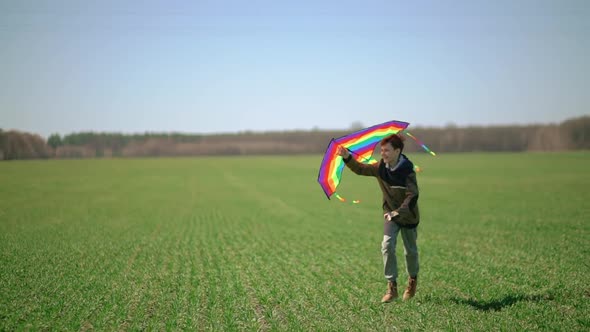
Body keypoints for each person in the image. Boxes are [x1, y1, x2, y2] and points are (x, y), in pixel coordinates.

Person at [337, 133, 420, 303]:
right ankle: (392, 287)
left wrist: (398, 212)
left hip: (408, 216)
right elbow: (360, 169)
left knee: (410, 251)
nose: (383, 153)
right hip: (390, 215)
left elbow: (412, 196)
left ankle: (412, 281)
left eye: (387, 151)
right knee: (387, 246)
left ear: (397, 151)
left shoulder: (407, 172)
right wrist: (347, 157)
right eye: (381, 150)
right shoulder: (380, 168)